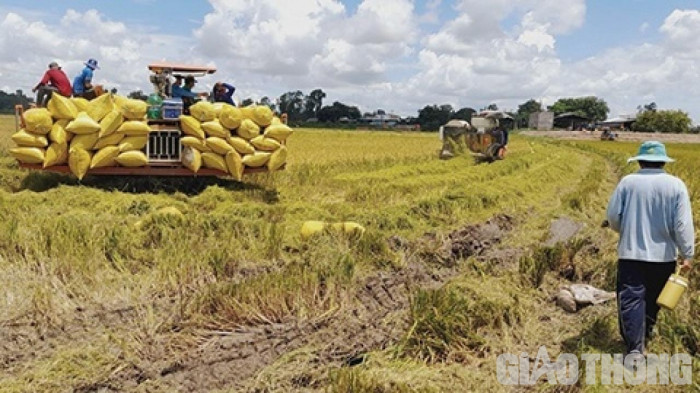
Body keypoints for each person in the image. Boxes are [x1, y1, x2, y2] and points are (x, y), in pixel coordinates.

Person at [606, 141, 694, 358]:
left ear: (640, 161)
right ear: (663, 162)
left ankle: (635, 347)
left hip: (631, 254)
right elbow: (682, 224)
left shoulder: (628, 183)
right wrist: (687, 253)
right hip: (664, 256)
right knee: (654, 298)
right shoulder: (676, 185)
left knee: (631, 298)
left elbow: (613, 217)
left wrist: (624, 231)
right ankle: (645, 335)